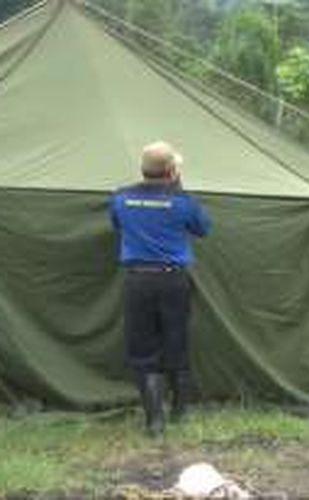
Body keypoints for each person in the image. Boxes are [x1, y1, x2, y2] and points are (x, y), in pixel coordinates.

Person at [110, 141, 211, 437]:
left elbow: (117, 224)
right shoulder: (184, 202)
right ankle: (180, 411)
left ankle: (154, 421)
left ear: (143, 168)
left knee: (143, 350)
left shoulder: (120, 199)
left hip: (137, 280)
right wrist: (176, 189)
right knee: (176, 341)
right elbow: (203, 229)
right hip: (173, 281)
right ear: (171, 170)